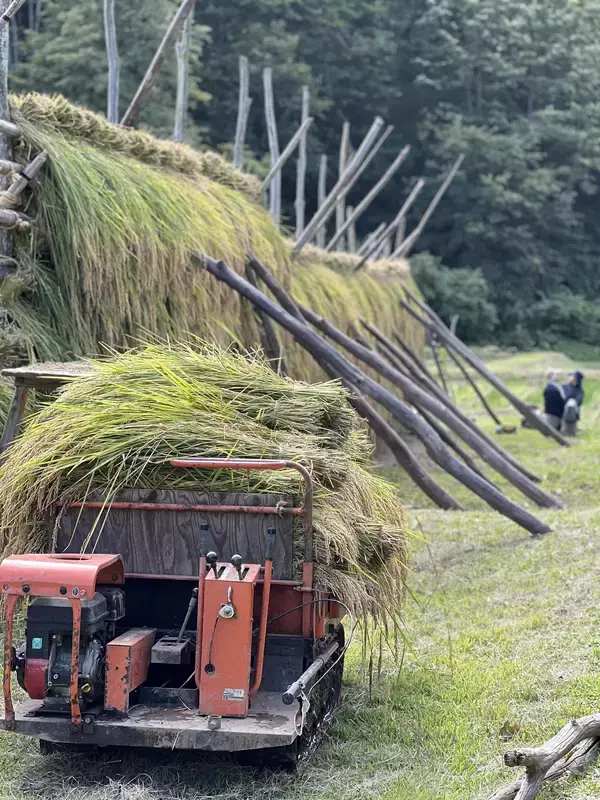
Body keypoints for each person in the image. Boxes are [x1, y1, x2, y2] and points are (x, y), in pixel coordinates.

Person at [562, 370, 584, 436]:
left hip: (573, 414)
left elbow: (578, 401)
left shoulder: (579, 390)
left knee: (571, 431)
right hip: (562, 413)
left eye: (573, 376)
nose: (571, 377)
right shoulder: (564, 386)